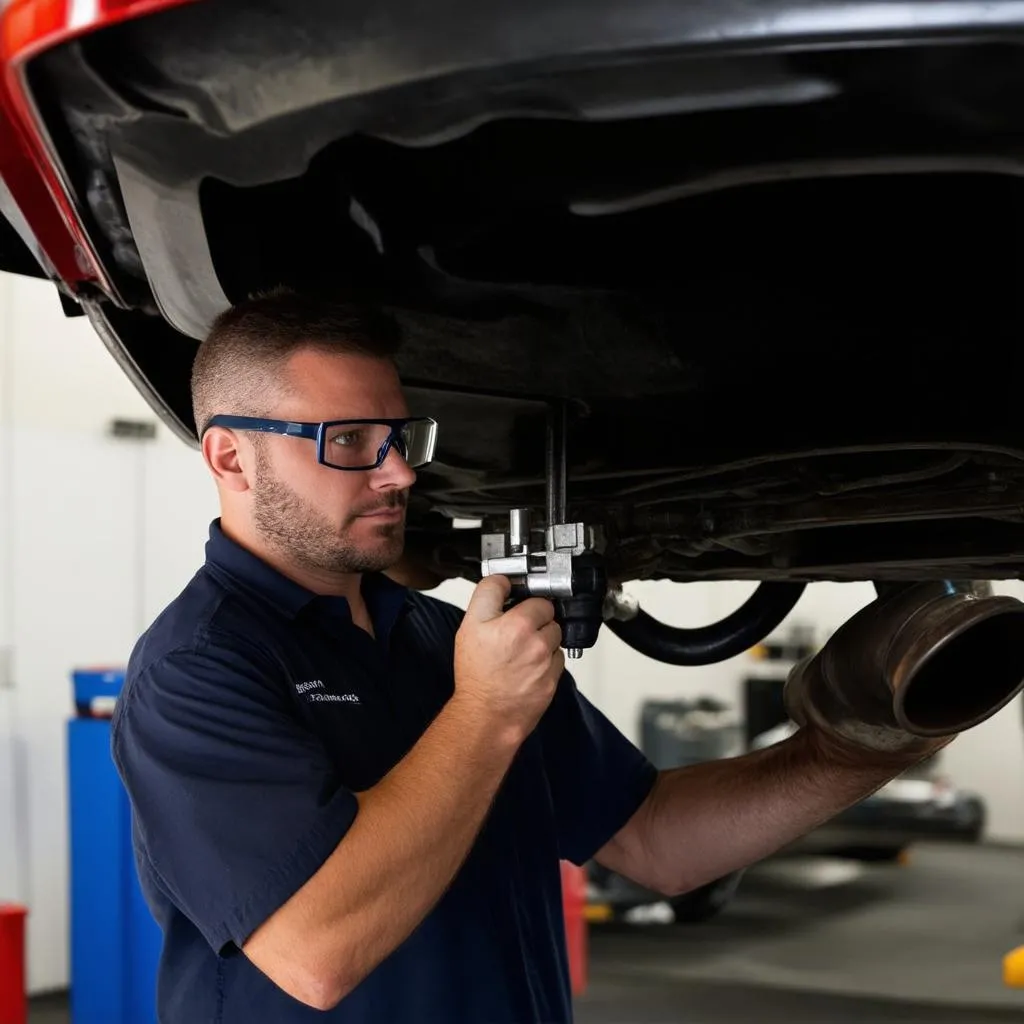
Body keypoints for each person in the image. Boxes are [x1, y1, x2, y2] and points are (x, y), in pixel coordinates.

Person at [112, 288, 943, 1024]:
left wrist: (865, 745)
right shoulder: (196, 671)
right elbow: (318, 953)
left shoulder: (443, 642)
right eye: (352, 439)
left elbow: (656, 841)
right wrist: (487, 712)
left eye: (401, 435)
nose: (400, 472)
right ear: (230, 456)